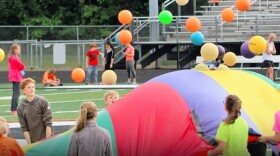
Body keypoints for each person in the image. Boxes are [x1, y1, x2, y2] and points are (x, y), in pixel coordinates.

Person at [17, 78, 53, 144]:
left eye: (33, 87)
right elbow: (25, 128)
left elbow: (48, 123)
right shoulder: (20, 108)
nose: (32, 89)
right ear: (23, 91)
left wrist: (47, 142)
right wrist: (29, 144)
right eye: (29, 87)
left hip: (46, 139)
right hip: (33, 141)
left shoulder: (43, 102)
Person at [8, 43, 25, 115]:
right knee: (16, 93)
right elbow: (21, 66)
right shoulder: (14, 58)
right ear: (15, 50)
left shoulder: (14, 57)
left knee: (16, 93)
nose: (20, 50)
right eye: (18, 49)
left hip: (15, 76)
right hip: (16, 77)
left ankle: (13, 108)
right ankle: (14, 109)